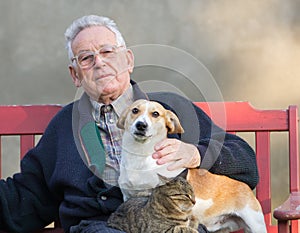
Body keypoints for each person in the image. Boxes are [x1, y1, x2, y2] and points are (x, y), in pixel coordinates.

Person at [0, 15, 258, 233]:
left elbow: (246, 163)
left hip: (171, 224)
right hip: (102, 227)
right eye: (86, 58)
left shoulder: (169, 108)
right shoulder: (65, 127)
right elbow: (24, 199)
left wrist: (195, 153)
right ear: (75, 75)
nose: (99, 62)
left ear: (128, 60)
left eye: (107, 52)